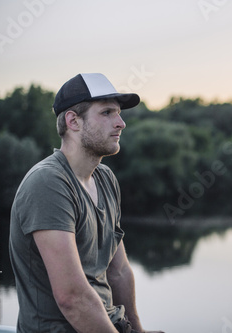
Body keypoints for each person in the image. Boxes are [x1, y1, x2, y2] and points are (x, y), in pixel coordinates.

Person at [9, 73, 164, 333]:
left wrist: (138, 331)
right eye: (107, 113)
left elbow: (120, 271)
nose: (121, 123)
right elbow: (73, 298)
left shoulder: (105, 178)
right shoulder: (48, 183)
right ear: (73, 121)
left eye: (118, 113)